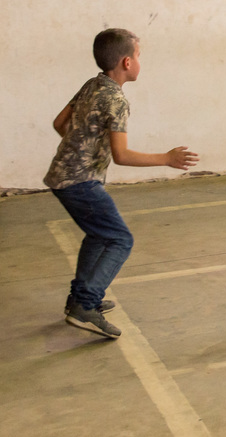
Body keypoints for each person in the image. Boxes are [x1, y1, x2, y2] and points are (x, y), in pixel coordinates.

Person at [45, 29, 198, 339]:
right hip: (81, 182)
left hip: (62, 175)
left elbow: (60, 123)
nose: (140, 62)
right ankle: (85, 305)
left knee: (98, 235)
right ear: (127, 62)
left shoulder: (92, 84)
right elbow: (122, 155)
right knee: (120, 240)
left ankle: (79, 297)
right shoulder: (116, 99)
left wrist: (81, 146)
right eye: (139, 56)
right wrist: (167, 158)